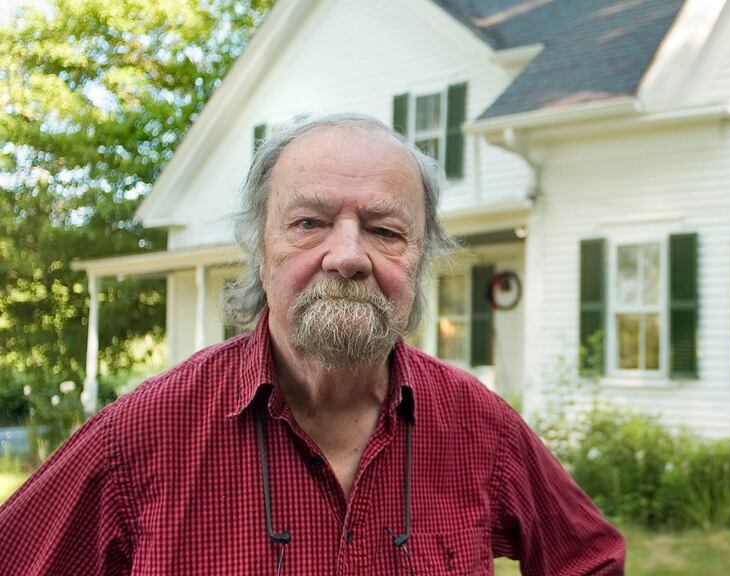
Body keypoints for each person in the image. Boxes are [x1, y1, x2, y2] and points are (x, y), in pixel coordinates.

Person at [0, 114, 625, 574]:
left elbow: (590, 560)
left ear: (421, 259)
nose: (348, 256)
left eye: (384, 230)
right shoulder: (140, 439)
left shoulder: (479, 427)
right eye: (309, 223)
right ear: (260, 248)